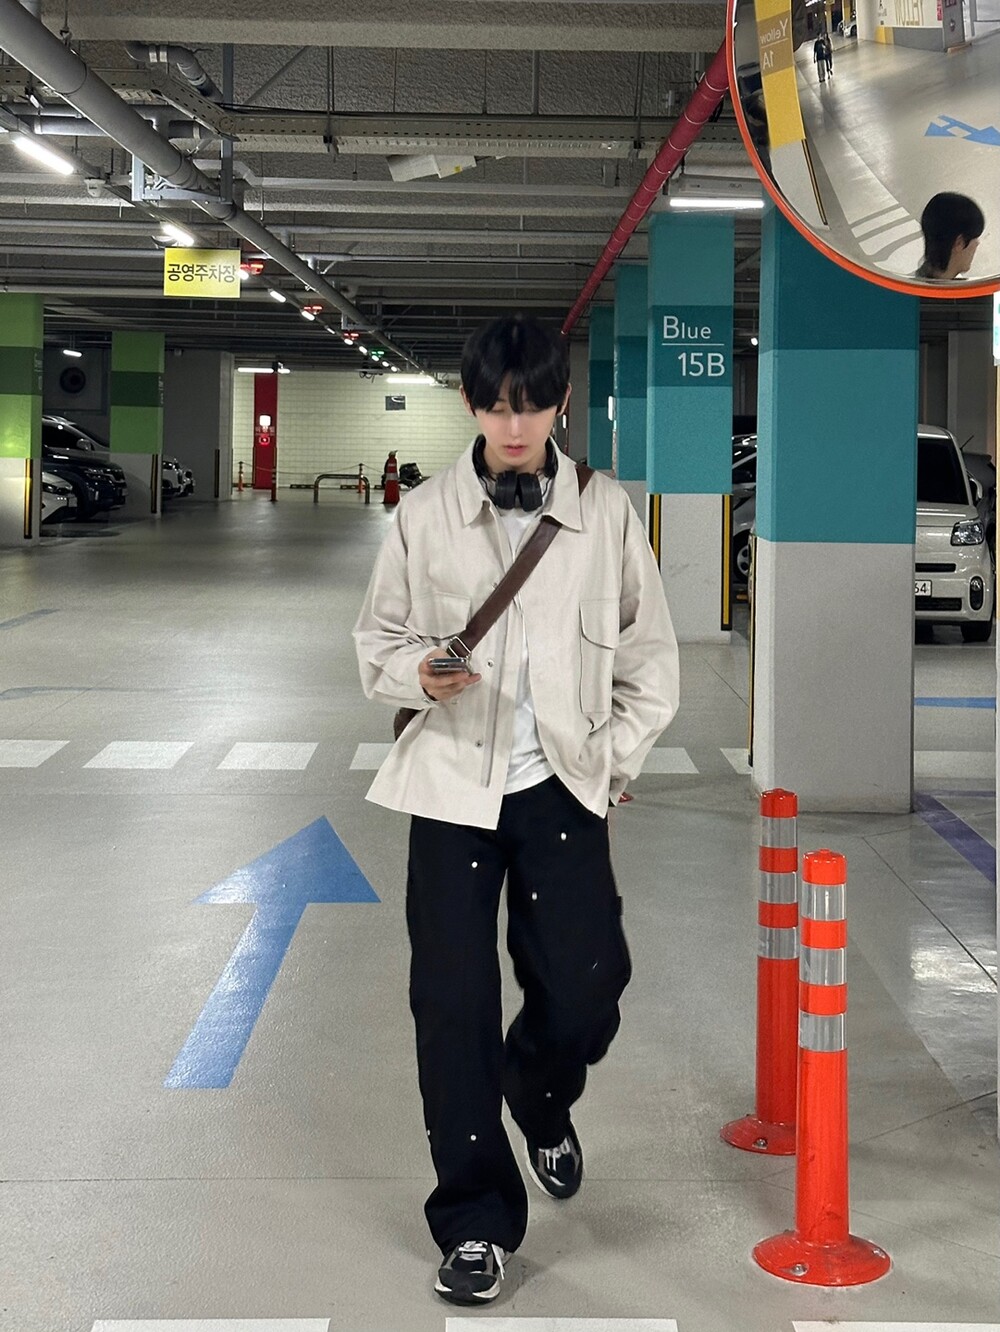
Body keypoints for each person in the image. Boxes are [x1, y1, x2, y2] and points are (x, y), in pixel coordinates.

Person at [353, 314, 679, 1306]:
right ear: (469, 404)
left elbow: (650, 661)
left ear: (560, 404)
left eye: (531, 405)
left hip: (561, 786)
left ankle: (537, 1094)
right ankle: (474, 1221)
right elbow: (376, 643)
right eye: (496, 406)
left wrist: (612, 761)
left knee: (588, 986)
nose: (513, 425)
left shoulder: (604, 512)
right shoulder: (424, 515)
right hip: (451, 785)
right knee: (452, 1006)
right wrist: (419, 672)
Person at [915, 192, 985, 281]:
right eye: (975, 238)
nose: (977, 243)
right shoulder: (971, 288)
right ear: (959, 243)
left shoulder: (907, 285)